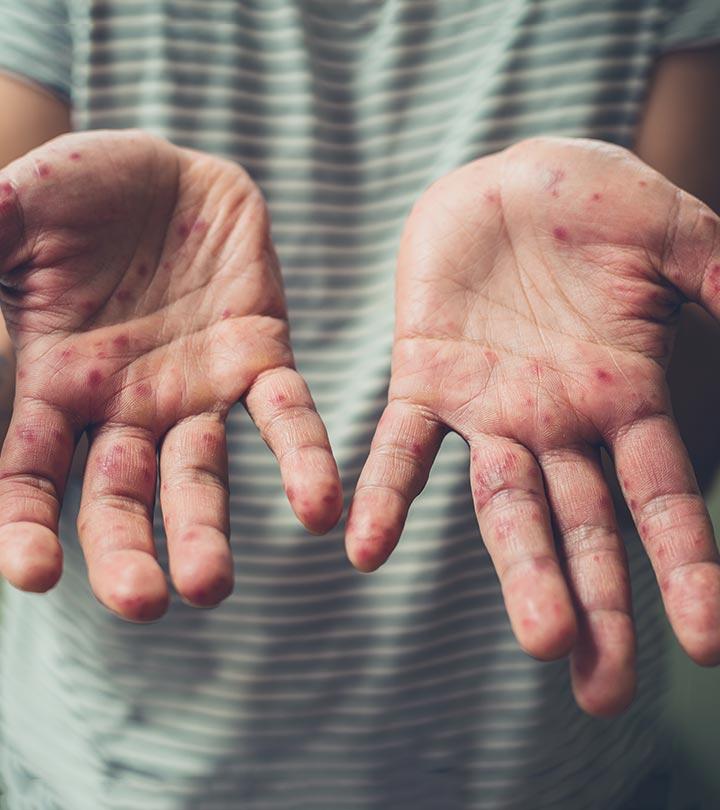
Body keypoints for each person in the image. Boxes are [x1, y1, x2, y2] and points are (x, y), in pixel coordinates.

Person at [0, 1, 718, 808]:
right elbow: (23, 392)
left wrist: (623, 333)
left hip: (544, 773)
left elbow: (676, 424)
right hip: (122, 772)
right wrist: (42, 344)